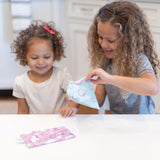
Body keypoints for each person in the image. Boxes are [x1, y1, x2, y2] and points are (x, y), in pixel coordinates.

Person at [85, 1, 160, 114]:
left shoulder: (138, 60)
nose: (103, 44)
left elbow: (152, 88)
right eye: (100, 37)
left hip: (143, 123)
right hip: (118, 122)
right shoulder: (106, 61)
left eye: (111, 40)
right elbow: (98, 100)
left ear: (128, 40)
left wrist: (110, 79)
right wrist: (79, 98)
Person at [11, 20, 78, 117]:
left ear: (54, 54)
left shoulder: (63, 76)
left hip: (61, 123)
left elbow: (75, 97)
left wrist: (71, 108)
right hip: (37, 127)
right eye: (34, 58)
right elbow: (22, 112)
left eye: (46, 57)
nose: (40, 62)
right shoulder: (20, 82)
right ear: (24, 56)